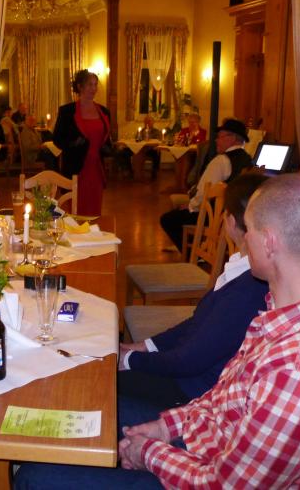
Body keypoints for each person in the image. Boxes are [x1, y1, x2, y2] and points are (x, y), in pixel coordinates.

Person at [15, 174, 300, 488]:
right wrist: (165, 428)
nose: (245, 240)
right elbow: (223, 398)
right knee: (71, 411)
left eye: (249, 230)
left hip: (210, 475)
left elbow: (224, 485)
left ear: (269, 241)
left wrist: (150, 453)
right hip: (208, 443)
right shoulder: (294, 312)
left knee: (36, 474)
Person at [117, 174, 269, 427]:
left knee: (101, 388)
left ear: (230, 221)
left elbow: (188, 361)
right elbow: (198, 323)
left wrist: (130, 360)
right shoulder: (242, 272)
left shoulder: (248, 290)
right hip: (186, 377)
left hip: (191, 395)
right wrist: (145, 346)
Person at [160, 118, 252, 251]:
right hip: (232, 214)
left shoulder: (222, 160)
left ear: (232, 138)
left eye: (220, 137)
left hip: (213, 216)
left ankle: (192, 253)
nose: (216, 140)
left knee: (168, 219)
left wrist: (191, 206)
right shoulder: (247, 159)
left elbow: (205, 191)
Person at [52, 69, 111, 216]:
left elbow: (107, 137)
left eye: (95, 84)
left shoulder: (104, 111)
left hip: (96, 169)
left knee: (94, 210)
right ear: (80, 86)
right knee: (76, 210)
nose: (93, 88)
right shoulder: (67, 111)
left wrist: (107, 148)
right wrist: (74, 143)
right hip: (76, 168)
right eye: (90, 84)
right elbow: (57, 139)